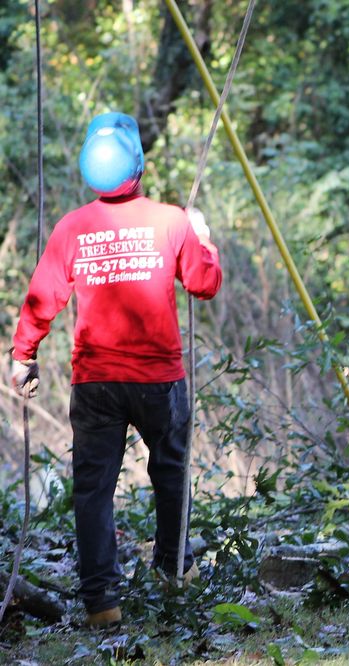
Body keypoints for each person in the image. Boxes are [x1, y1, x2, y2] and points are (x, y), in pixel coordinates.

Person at [9, 112, 222, 626]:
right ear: (139, 166)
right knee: (170, 474)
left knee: (93, 488)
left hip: (96, 383)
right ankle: (173, 570)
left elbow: (42, 299)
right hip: (158, 381)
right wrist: (204, 239)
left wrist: (23, 356)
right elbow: (204, 283)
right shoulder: (171, 220)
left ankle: (102, 600)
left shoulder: (72, 228)